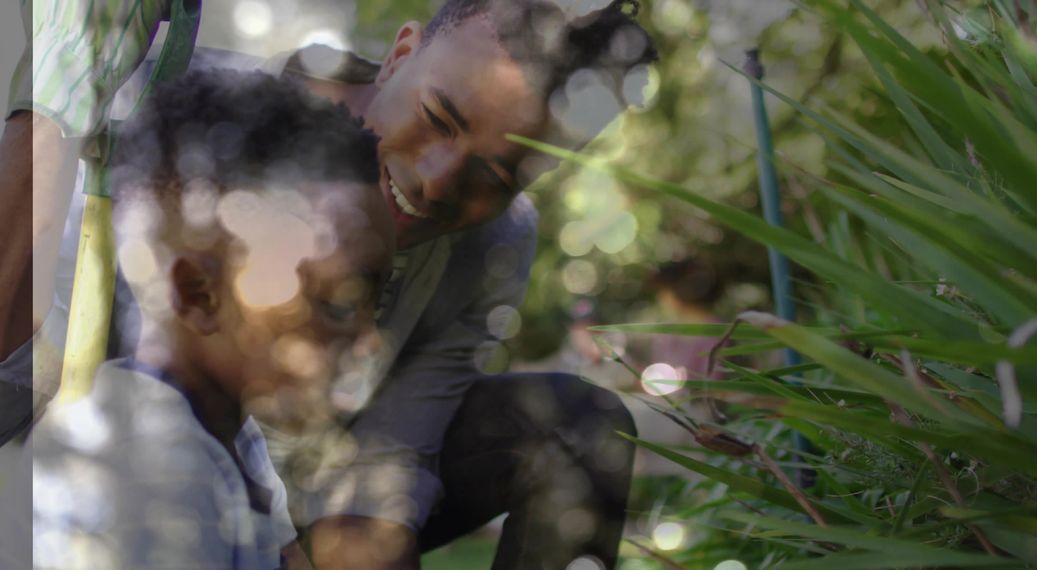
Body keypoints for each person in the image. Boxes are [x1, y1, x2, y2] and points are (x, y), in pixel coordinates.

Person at [2, 1, 659, 568]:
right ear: (401, 54)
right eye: (438, 116)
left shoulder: (494, 243)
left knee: (580, 425)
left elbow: (380, 484)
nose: (437, 179)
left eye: (496, 176)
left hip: (283, 510)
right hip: (81, 481)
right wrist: (52, 118)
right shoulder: (162, 116)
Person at [32, 67, 392, 569]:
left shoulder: (226, 431)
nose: (369, 342)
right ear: (199, 294)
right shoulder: (151, 482)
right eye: (337, 304)